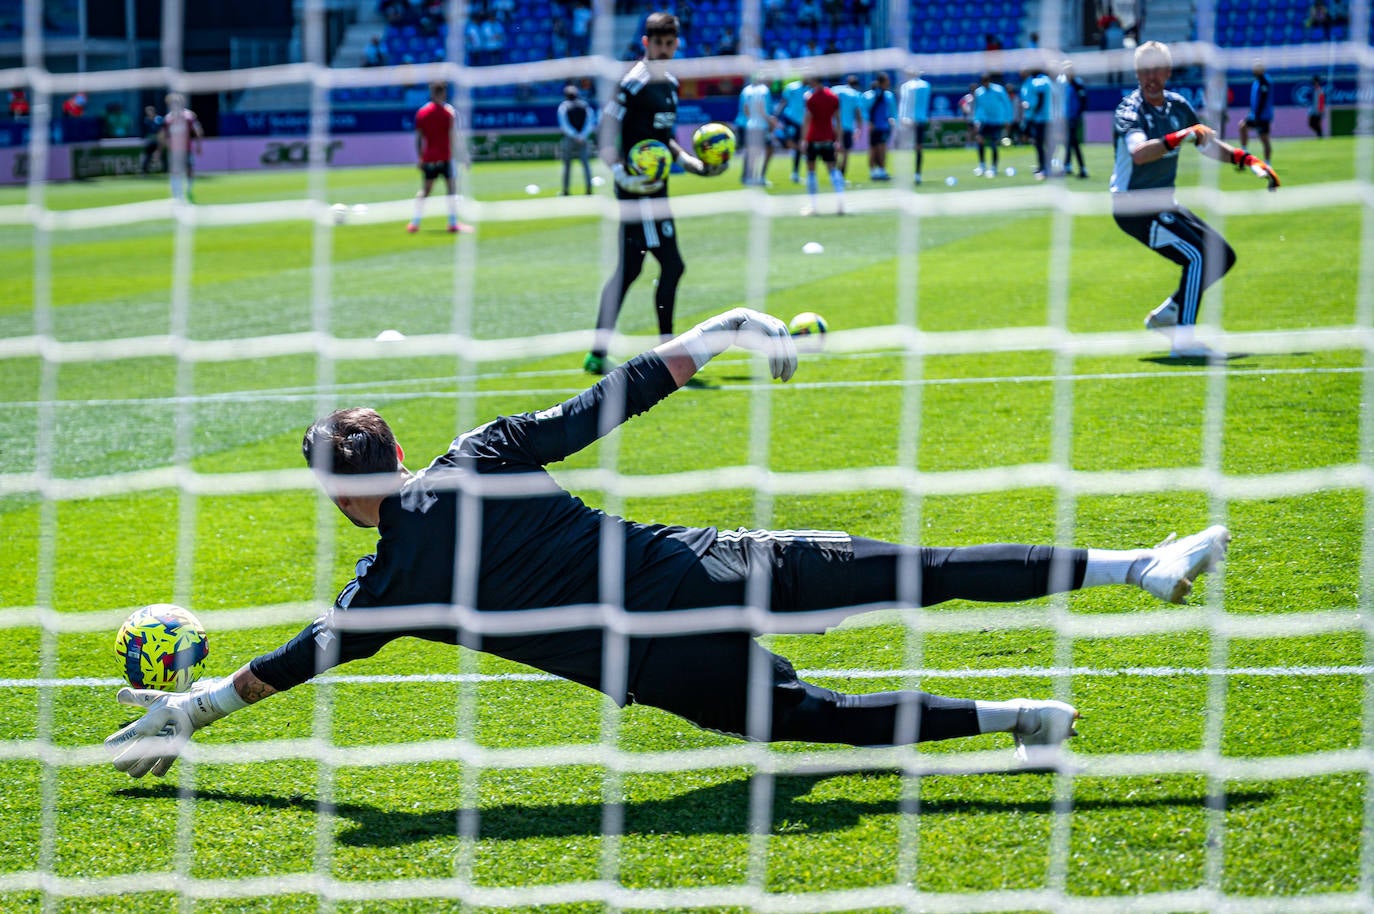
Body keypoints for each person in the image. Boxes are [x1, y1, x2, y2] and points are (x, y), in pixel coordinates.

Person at [104, 306, 1234, 779]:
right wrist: (728, 327)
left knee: (812, 717)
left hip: (656, 666)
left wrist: (189, 712)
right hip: (706, 566)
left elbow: (295, 659)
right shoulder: (479, 453)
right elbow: (619, 395)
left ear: (337, 498)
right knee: (922, 573)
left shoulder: (387, 584)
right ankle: (1138, 564)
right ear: (395, 449)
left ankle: (1021, 720)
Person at [1111, 41, 1280, 359]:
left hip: (1163, 202)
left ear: (1168, 72)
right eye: (1144, 71)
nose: (1151, 77)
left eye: (1157, 70)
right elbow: (1139, 154)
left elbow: (1207, 144)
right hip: (1133, 206)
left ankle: (1166, 315)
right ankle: (1183, 341)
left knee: (1222, 256)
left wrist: (1247, 159)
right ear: (1136, 73)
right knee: (1198, 257)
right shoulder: (1130, 110)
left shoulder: (1177, 106)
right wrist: (1181, 136)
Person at [583, 12, 718, 376]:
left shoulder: (670, 84)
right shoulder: (632, 83)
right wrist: (620, 175)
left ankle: (598, 352)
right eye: (657, 43)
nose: (663, 49)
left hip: (658, 190)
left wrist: (689, 161)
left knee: (630, 270)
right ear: (646, 43)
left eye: (669, 43)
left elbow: (663, 138)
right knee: (671, 265)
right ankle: (668, 353)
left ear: (676, 44)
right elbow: (604, 133)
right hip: (638, 193)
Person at [408, 81, 472, 234]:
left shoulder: (422, 112)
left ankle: (414, 223)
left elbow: (418, 138)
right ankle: (453, 223)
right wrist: (464, 157)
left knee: (425, 190)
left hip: (429, 157)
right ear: (444, 93)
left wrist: (420, 157)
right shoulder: (448, 112)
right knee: (451, 189)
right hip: (446, 157)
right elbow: (454, 136)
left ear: (431, 93)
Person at [799, 74, 845, 216]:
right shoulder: (833, 97)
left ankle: (813, 206)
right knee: (833, 169)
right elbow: (838, 120)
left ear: (814, 80)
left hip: (813, 138)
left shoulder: (811, 98)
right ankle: (840, 202)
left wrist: (803, 140)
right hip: (828, 137)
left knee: (811, 171)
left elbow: (807, 120)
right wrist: (839, 140)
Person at [159, 93, 203, 203]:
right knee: (174, 171)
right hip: (173, 149)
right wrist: (161, 148)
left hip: (186, 148)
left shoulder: (189, 116)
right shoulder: (168, 118)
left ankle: (188, 188)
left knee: (189, 169)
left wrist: (199, 145)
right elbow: (163, 135)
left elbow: (197, 131)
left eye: (176, 102)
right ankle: (176, 193)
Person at [736, 73, 777, 186]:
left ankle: (747, 176)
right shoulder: (763, 90)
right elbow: (761, 108)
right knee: (767, 150)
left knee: (752, 151)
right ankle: (759, 177)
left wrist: (751, 120)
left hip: (749, 125)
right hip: (760, 126)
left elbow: (745, 108)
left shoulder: (746, 90)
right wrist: (770, 120)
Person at [557, 83, 597, 195]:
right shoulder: (585, 106)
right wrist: (582, 135)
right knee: (585, 164)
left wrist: (575, 135)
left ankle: (566, 191)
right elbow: (590, 123)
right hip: (583, 139)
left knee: (567, 166)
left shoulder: (564, 107)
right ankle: (589, 189)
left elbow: (564, 125)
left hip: (569, 139)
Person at [971, 73, 1012, 178]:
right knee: (980, 141)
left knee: (993, 144)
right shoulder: (979, 92)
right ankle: (982, 166)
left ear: (989, 81)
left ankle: (993, 168)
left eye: (986, 82)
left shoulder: (999, 90)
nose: (985, 84)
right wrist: (976, 120)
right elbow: (977, 107)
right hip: (984, 121)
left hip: (997, 121)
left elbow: (1007, 104)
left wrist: (1008, 119)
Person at [1053, 61, 1089, 178]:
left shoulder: (1077, 84)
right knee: (1070, 142)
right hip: (1065, 117)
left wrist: (1077, 115)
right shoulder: (1064, 83)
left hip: (1073, 118)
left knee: (1072, 142)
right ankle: (1070, 166)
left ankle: (1079, 168)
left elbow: (1083, 101)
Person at [897, 68, 931, 185]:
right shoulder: (926, 85)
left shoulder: (906, 86)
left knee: (905, 147)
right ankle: (917, 174)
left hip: (908, 120)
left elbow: (904, 103)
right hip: (920, 120)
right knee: (918, 148)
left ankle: (905, 174)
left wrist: (901, 118)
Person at [1019, 66, 1053, 179]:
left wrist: (1034, 111)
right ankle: (1043, 166)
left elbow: (1040, 99)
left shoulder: (1039, 81)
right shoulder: (1043, 80)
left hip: (1040, 118)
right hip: (1041, 117)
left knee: (1040, 143)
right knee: (1040, 143)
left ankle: (1045, 167)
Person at [774, 77, 808, 183]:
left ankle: (796, 173)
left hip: (803, 123)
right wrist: (776, 116)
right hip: (791, 120)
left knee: (799, 146)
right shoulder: (792, 87)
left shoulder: (810, 89)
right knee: (790, 143)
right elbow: (783, 102)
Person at [1238, 61, 1274, 163]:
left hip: (1263, 116)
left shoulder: (1264, 82)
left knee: (1264, 138)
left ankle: (1267, 163)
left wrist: (1257, 115)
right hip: (1254, 115)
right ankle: (1244, 152)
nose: (1254, 71)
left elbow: (1263, 100)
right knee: (1242, 126)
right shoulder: (1257, 81)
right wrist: (1251, 112)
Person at [862, 72, 895, 181]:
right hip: (874, 127)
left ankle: (882, 170)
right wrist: (869, 122)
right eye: (887, 81)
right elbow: (864, 110)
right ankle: (873, 171)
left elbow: (892, 111)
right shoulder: (870, 95)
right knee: (873, 149)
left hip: (884, 126)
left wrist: (892, 119)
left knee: (882, 149)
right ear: (882, 82)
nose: (888, 83)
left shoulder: (888, 95)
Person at [832, 74, 865, 179]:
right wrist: (859, 128)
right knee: (845, 152)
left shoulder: (835, 90)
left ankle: (834, 174)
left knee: (835, 150)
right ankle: (841, 176)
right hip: (847, 127)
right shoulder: (855, 94)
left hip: (834, 126)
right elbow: (858, 113)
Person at [140, 105, 164, 174]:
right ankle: (144, 171)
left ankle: (166, 170)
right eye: (147, 111)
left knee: (161, 155)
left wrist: (161, 139)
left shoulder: (158, 119)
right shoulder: (146, 120)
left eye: (150, 111)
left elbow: (161, 130)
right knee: (147, 156)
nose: (148, 113)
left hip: (159, 141)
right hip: (150, 141)